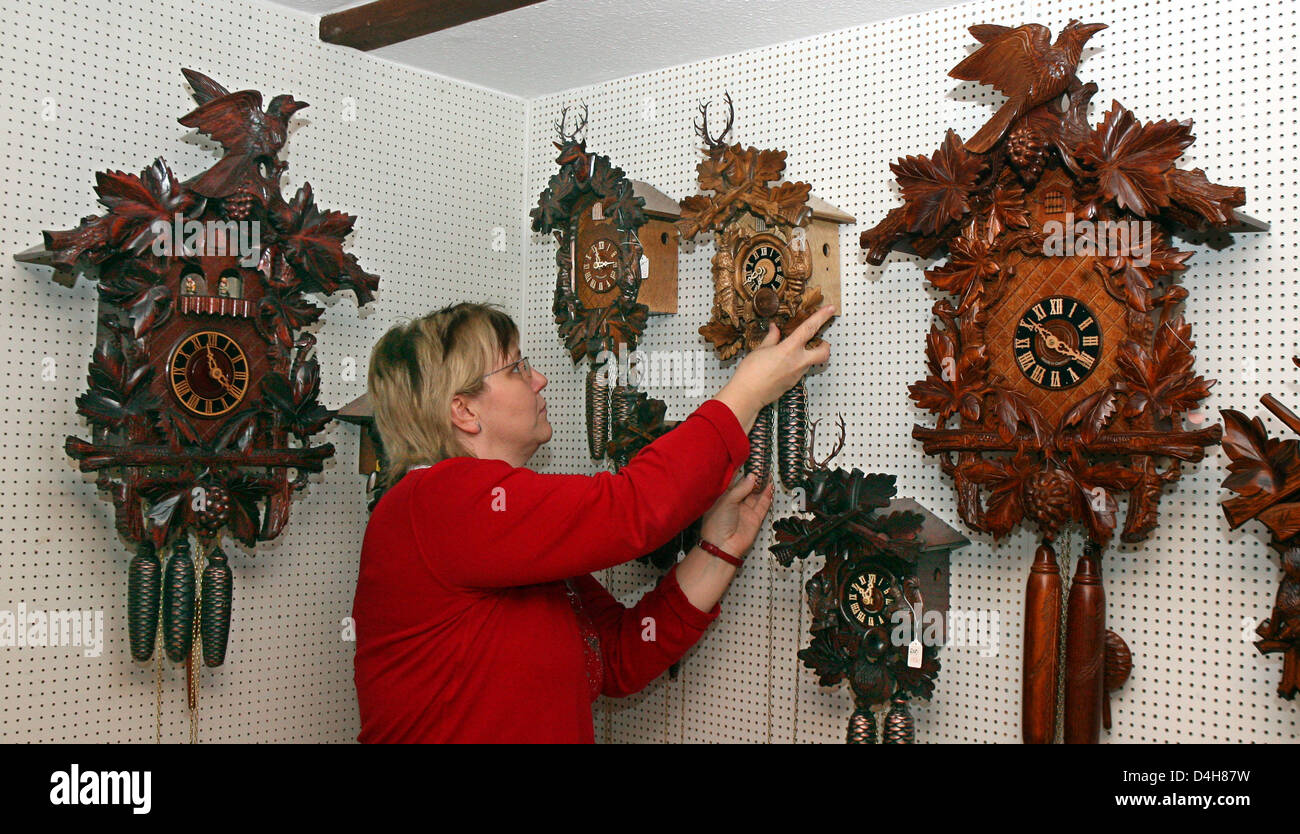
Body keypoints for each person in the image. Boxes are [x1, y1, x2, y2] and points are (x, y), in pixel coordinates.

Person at [352, 301, 835, 742]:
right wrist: (748, 391)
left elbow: (618, 655)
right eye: (517, 367)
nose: (538, 379)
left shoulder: (502, 534)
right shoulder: (434, 502)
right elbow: (630, 508)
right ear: (464, 410)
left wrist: (717, 550)